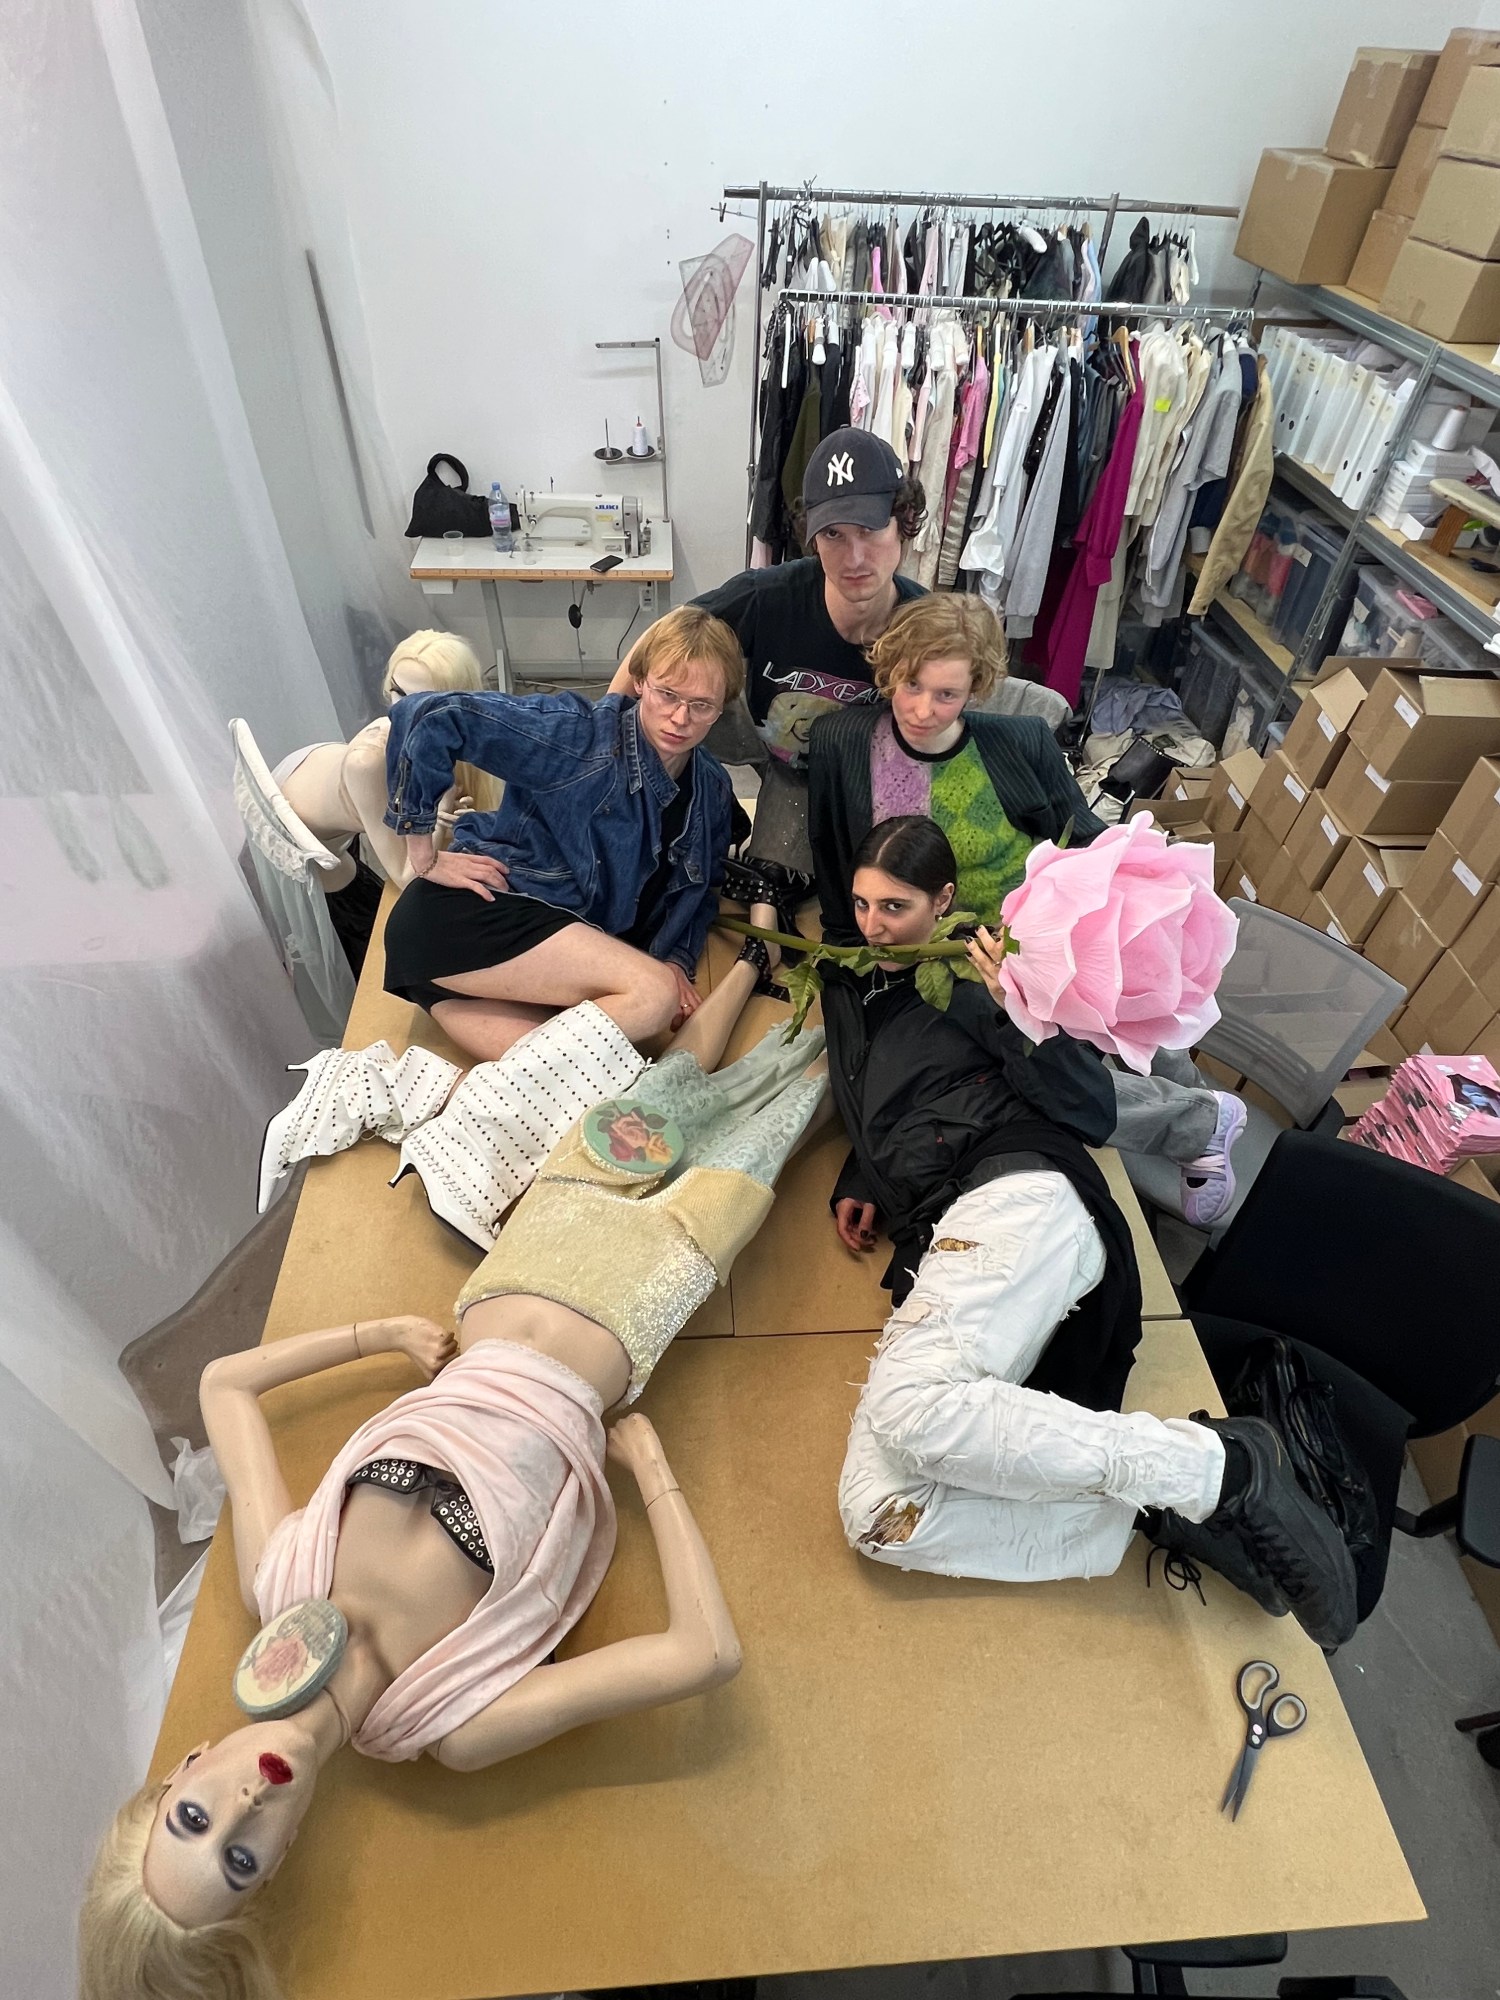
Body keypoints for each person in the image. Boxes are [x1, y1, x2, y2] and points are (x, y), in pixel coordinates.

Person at [81, 917, 826, 2000]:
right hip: (630, 1306)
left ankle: (759, 949)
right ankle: (862, 1000)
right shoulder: (455, 1722)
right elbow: (704, 1653)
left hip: (516, 1273)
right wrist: (650, 1469)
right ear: (276, 1867)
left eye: (195, 1817)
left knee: (656, 1101)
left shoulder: (279, 1581)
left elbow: (222, 1386)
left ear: (183, 1772)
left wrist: (376, 1334)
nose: (244, 1805)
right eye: (240, 1858)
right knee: (777, 1118)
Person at [820, 816, 1356, 1650]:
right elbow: (893, 1093)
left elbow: (1082, 1100)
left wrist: (1017, 1009)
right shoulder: (854, 981)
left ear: (944, 901)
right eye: (861, 905)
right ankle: (1160, 1509)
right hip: (941, 1216)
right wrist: (864, 1176)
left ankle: (1222, 1470)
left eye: (895, 907)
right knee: (879, 1514)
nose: (874, 926)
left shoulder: (976, 979)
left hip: (1016, 1187)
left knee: (912, 1409)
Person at [807, 593, 1246, 1225]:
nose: (923, 710)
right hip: (942, 955)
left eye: (947, 694)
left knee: (1120, 1009)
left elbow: (1087, 837)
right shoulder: (842, 743)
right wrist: (847, 963)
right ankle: (1202, 1123)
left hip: (1040, 933)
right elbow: (832, 860)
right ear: (888, 670)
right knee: (1042, 1063)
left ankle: (1201, 1116)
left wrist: (1154, 891)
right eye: (910, 686)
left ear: (977, 688)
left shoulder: (1018, 742)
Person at [380, 604, 745, 1063]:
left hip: (513, 970)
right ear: (639, 682)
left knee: (583, 1075)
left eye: (701, 705)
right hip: (473, 914)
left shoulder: (711, 788)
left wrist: (677, 959)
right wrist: (423, 855)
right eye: (667, 694)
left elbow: (702, 889)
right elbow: (426, 716)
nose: (679, 717)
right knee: (652, 997)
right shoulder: (581, 736)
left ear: (721, 707)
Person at [613, 427, 928, 884]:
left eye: (870, 529)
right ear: (812, 537)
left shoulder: (923, 627)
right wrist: (608, 742)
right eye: (834, 534)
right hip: (760, 742)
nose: (855, 557)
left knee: (802, 888)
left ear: (904, 523)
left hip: (843, 780)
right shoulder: (769, 595)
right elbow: (662, 638)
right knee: (667, 704)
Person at [270, 631, 502, 973]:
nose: (402, 710)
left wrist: (445, 816)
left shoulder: (430, 738)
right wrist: (440, 811)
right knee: (380, 953)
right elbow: (409, 875)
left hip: (322, 795)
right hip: (302, 843)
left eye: (424, 701)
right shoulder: (369, 762)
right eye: (398, 692)